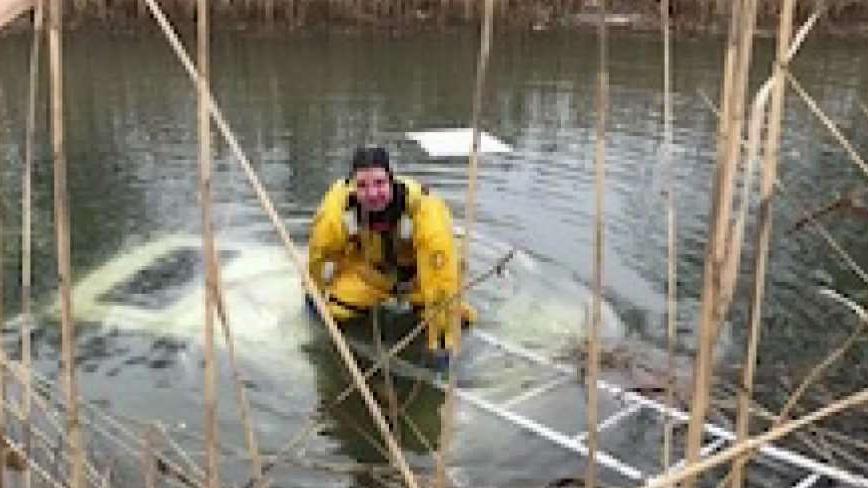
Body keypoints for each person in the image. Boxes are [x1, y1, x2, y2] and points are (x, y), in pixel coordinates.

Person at [307, 146, 476, 358]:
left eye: (379, 183)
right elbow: (320, 258)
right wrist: (315, 293)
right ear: (352, 186)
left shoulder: (423, 209)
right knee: (332, 309)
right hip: (371, 277)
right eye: (362, 185)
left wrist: (441, 342)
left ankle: (429, 329)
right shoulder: (336, 212)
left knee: (456, 317)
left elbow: (439, 275)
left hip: (418, 278)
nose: (372, 194)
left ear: (391, 180)